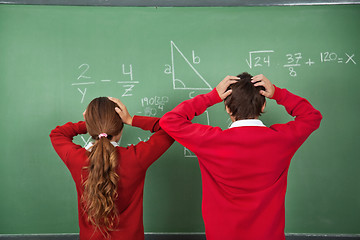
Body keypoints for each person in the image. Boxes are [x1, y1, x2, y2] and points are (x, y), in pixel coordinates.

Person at [159, 73, 322, 240]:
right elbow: (312, 116)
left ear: (228, 108)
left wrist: (212, 96)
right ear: (263, 105)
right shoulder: (281, 139)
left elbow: (169, 120)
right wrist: (278, 93)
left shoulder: (210, 141)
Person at [50, 97, 174, 240]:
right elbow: (171, 128)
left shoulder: (76, 159)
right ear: (120, 126)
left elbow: (57, 133)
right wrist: (131, 119)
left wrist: (93, 124)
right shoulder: (136, 158)